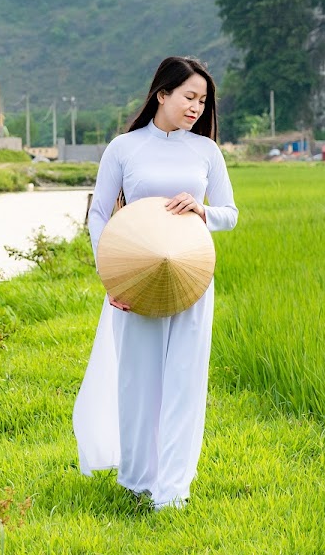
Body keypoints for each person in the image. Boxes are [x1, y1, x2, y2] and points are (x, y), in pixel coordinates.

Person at [72, 55, 239, 511]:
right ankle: (139, 479)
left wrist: (202, 209)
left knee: (185, 382)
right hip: (134, 281)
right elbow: (100, 215)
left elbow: (230, 213)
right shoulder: (124, 148)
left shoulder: (206, 151)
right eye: (189, 96)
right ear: (162, 94)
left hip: (191, 278)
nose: (197, 108)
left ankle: (173, 490)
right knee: (138, 382)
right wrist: (112, 278)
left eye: (203, 101)